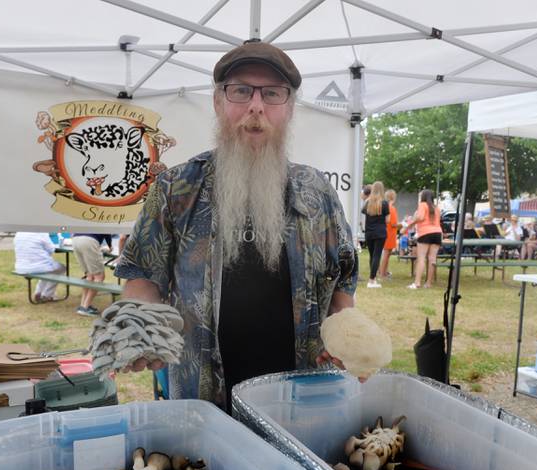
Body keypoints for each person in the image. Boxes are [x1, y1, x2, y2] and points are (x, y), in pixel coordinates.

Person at [113, 41, 358, 412]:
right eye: (240, 91)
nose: (256, 106)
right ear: (217, 102)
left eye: (272, 94)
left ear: (289, 108)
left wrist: (348, 342)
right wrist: (140, 328)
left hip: (303, 404)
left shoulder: (318, 192)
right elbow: (143, 276)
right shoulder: (175, 189)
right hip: (204, 405)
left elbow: (342, 279)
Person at [403, 189, 442, 289]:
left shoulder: (422, 205)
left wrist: (410, 225)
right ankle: (428, 283)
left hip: (425, 232)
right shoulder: (436, 208)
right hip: (437, 233)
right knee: (432, 259)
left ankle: (417, 283)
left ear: (423, 197)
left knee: (421, 258)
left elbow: (420, 217)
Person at [13, 231, 66, 303]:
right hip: (39, 266)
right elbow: (51, 249)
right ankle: (47, 295)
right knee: (61, 268)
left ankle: (38, 292)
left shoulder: (19, 233)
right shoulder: (41, 233)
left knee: (48, 271)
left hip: (20, 266)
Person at [71, 233, 111, 316]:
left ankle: (83, 305)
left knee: (89, 275)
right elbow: (107, 232)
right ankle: (85, 307)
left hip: (75, 239)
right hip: (89, 241)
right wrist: (110, 246)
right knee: (99, 276)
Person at [361, 181, 389, 288]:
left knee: (372, 256)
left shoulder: (368, 203)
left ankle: (373, 278)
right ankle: (371, 280)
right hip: (380, 232)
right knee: (377, 255)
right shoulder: (384, 203)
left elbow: (363, 212)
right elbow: (388, 220)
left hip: (369, 232)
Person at [379, 189, 399, 280]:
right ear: (393, 197)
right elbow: (394, 223)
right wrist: (403, 225)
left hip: (387, 232)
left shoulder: (385, 206)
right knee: (386, 254)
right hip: (390, 233)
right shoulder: (392, 208)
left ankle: (384, 272)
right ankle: (382, 274)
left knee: (386, 254)